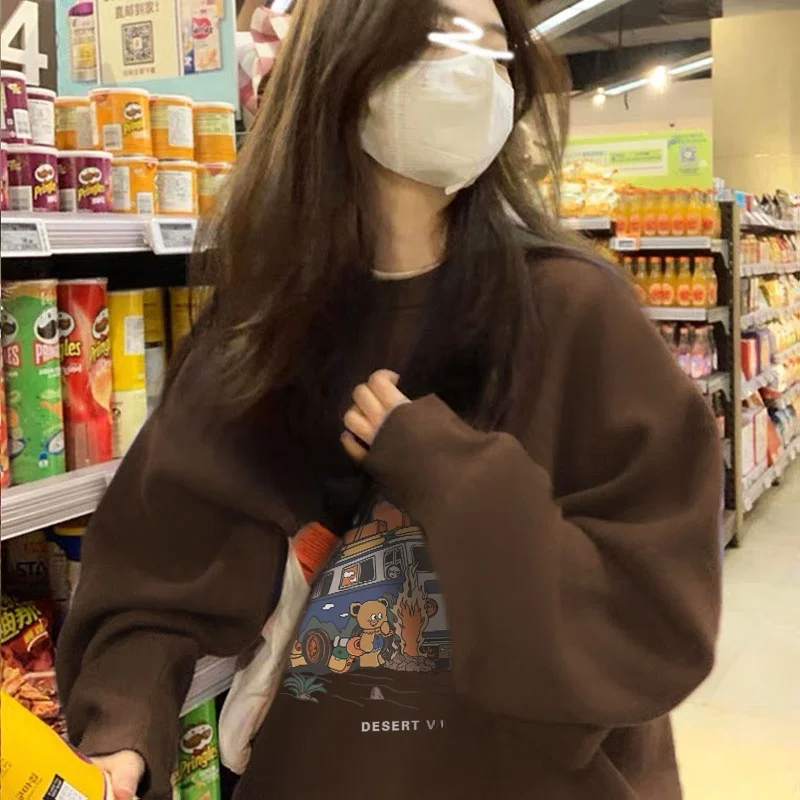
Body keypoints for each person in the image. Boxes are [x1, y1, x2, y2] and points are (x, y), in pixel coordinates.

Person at [56, 0, 723, 798]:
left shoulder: (577, 312)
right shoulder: (263, 326)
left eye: (493, 47)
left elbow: (656, 618)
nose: (471, 70)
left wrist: (450, 472)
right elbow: (155, 574)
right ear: (342, 62)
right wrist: (125, 731)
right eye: (443, 36)